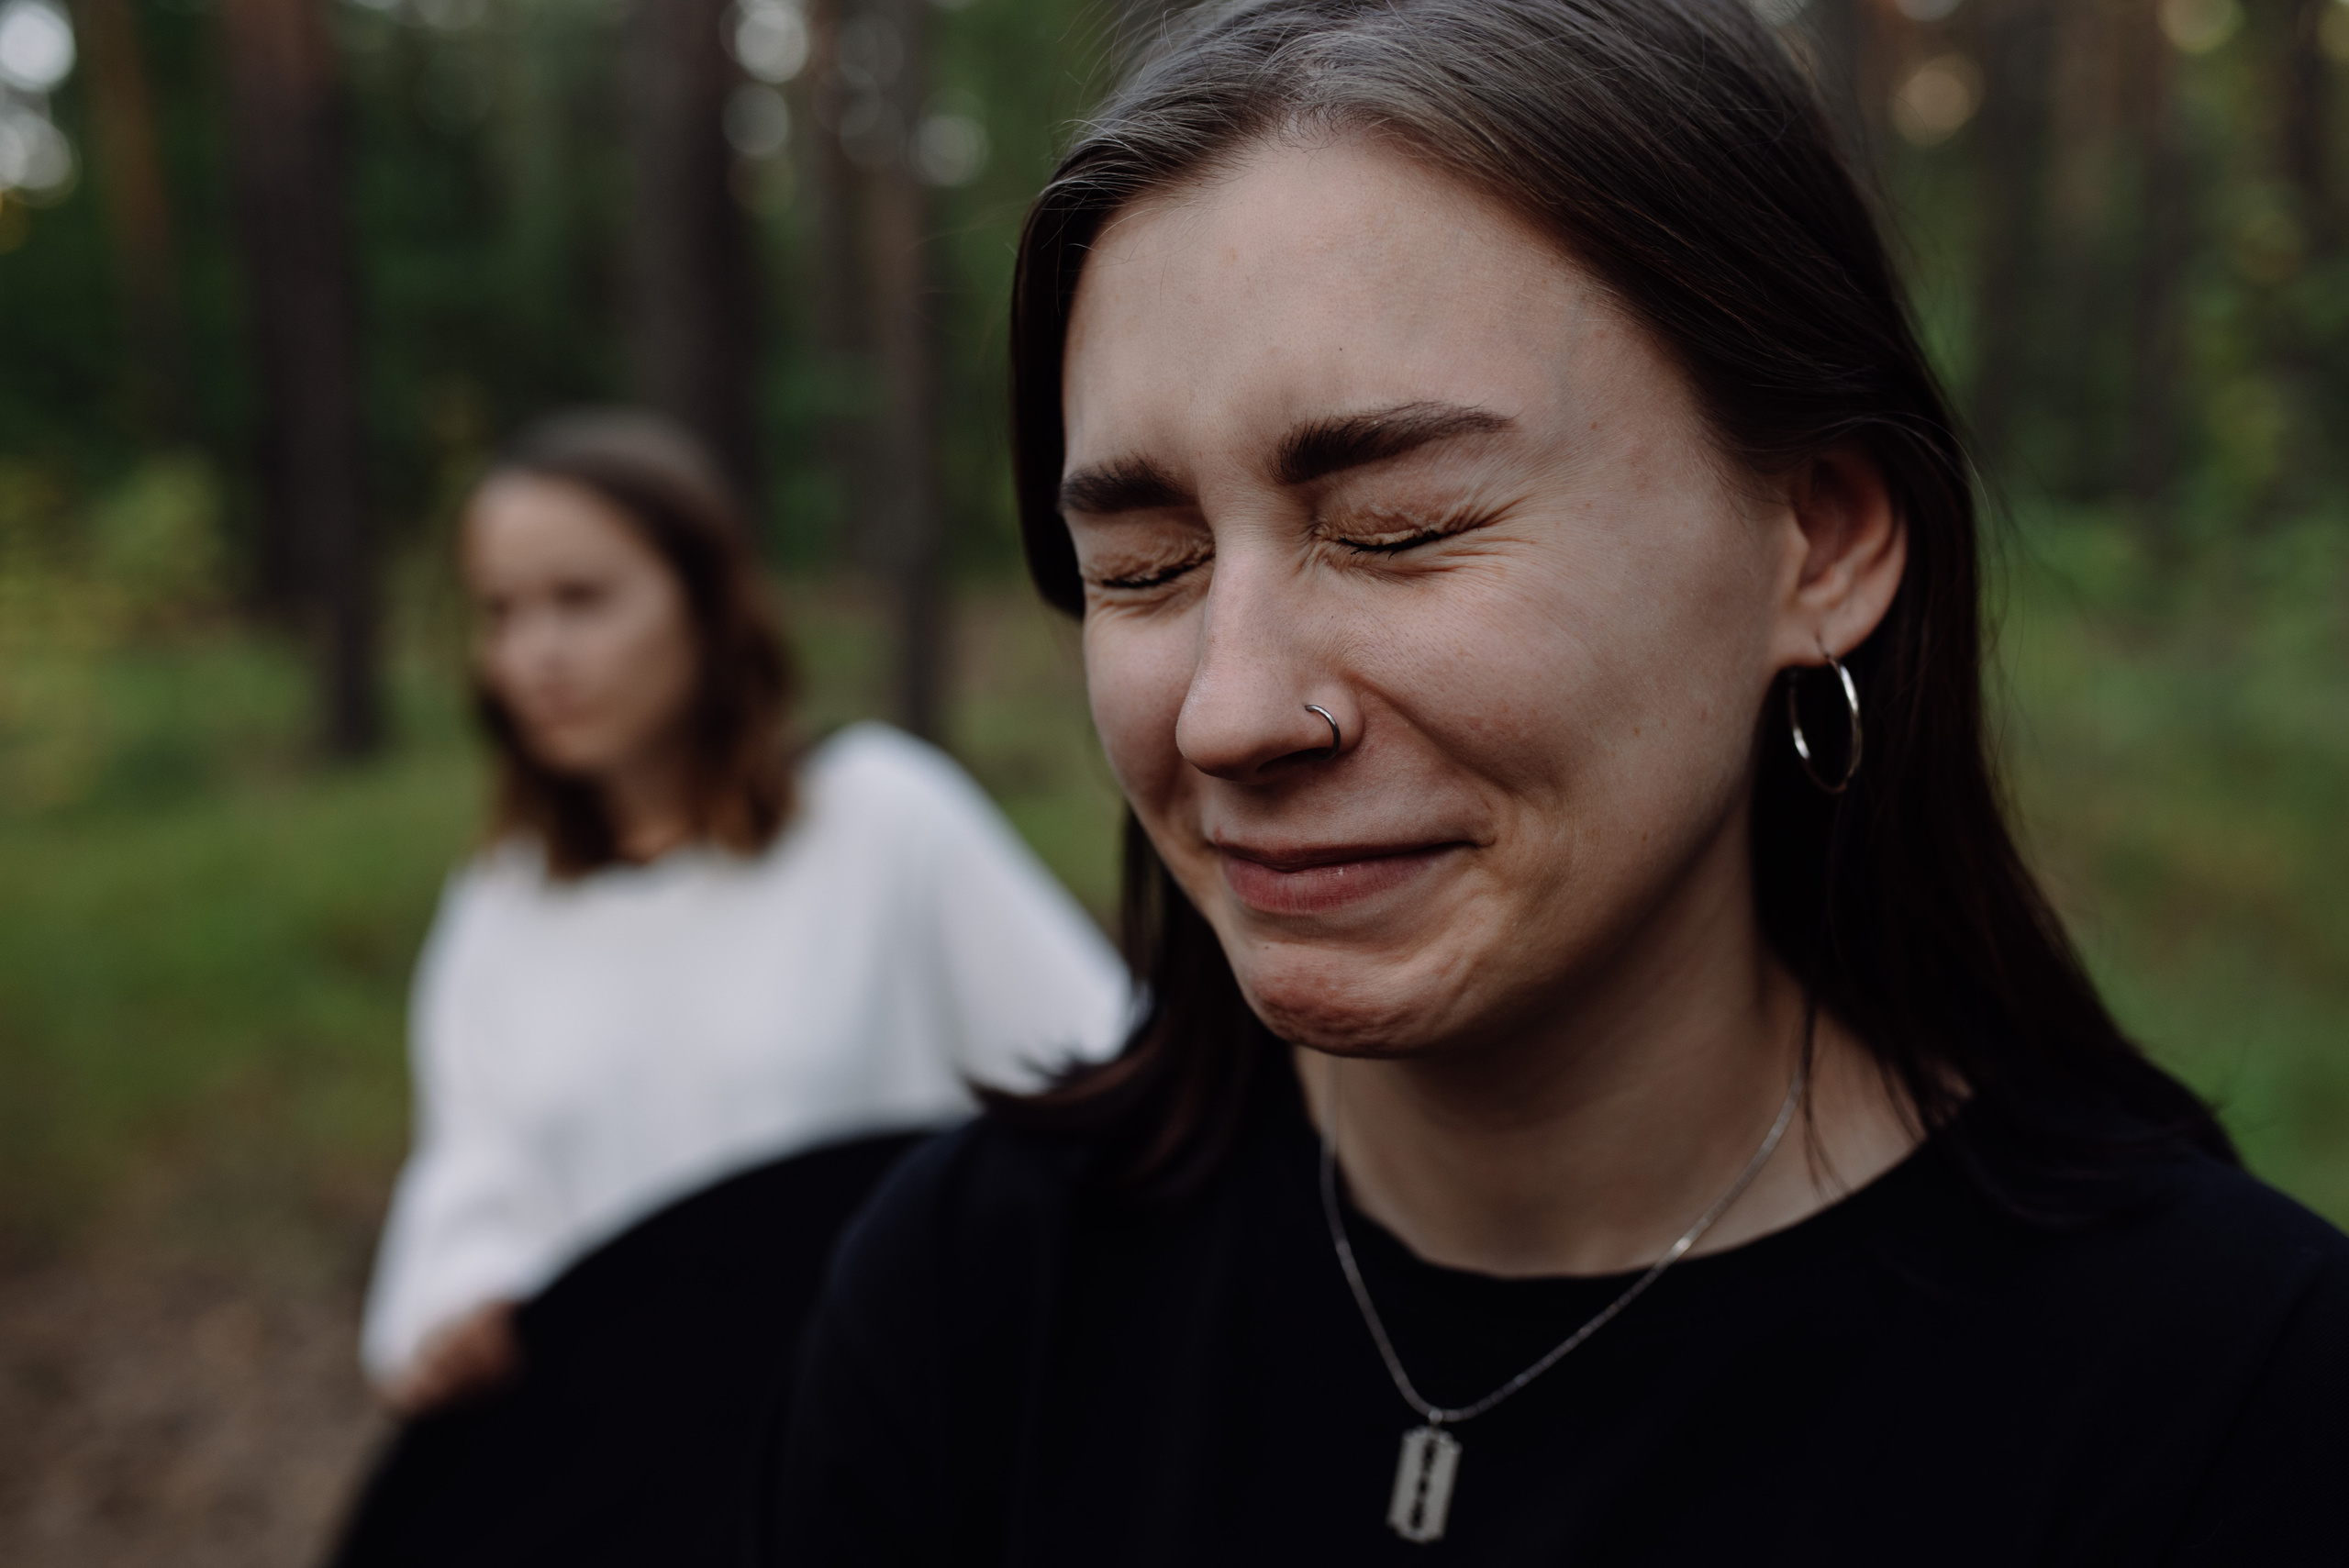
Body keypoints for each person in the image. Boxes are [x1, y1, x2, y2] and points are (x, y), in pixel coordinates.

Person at [773, 3, 2349, 1562]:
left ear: (1823, 537)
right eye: (1144, 563)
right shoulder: (969, 1301)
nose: (1229, 710)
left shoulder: (2224, 1402)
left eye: (1402, 524)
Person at [334, 409, 1129, 1567]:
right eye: (502, 612)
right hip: (645, 1492)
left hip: (922, 1464)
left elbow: (1106, 1082)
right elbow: (477, 1174)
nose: (534, 653)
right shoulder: (504, 902)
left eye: (581, 598)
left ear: (706, 601)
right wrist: (457, 1302)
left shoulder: (880, 821)